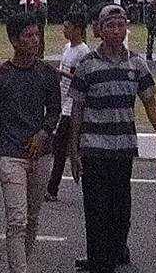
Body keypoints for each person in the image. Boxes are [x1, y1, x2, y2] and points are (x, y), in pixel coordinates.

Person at [70, 4, 156, 273]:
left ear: (127, 27)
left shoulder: (136, 63)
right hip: (93, 149)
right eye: (110, 26)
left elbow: (150, 102)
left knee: (120, 210)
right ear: (99, 30)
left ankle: (114, 253)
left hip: (123, 149)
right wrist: (73, 151)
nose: (116, 31)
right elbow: (77, 110)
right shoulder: (86, 65)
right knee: (95, 210)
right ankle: (99, 263)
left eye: (120, 25)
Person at [0, 13, 61, 273]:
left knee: (32, 217)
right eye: (29, 35)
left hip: (42, 153)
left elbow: (55, 110)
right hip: (11, 154)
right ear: (14, 40)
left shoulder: (47, 73)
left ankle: (23, 262)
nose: (35, 40)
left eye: (37, 35)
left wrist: (44, 133)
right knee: (17, 219)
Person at [45, 11, 90, 202]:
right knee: (61, 149)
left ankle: (53, 188)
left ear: (77, 29)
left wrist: (62, 74)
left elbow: (82, 79)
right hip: (63, 102)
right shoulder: (66, 48)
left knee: (66, 148)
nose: (64, 30)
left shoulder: (83, 52)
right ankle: (53, 188)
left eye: (67, 26)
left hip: (74, 106)